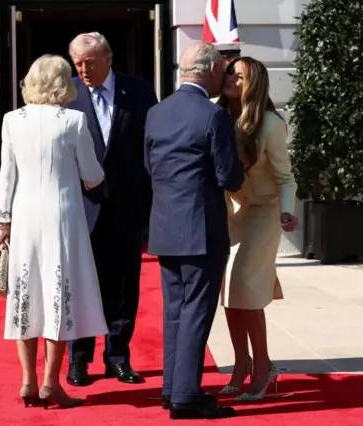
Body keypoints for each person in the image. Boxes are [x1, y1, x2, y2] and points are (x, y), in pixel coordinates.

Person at [0, 54, 109, 409]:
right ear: (63, 83)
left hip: (24, 213)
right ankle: (49, 383)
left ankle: (28, 381)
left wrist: (3, 220)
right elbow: (92, 175)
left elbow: (7, 176)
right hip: (63, 215)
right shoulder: (74, 120)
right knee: (58, 296)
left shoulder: (13, 119)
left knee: (27, 294)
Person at [144, 42, 244, 420]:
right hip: (201, 228)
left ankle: (172, 388)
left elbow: (149, 167)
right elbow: (228, 177)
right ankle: (185, 395)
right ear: (211, 70)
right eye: (224, 69)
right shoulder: (213, 115)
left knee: (174, 311)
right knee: (196, 313)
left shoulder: (156, 113)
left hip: (166, 226)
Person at [65, 32, 158, 387]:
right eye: (78, 63)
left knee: (123, 286)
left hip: (126, 207)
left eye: (90, 62)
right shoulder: (68, 93)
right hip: (81, 210)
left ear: (108, 58)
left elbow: (150, 146)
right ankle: (79, 359)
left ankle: (117, 356)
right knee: (81, 285)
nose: (84, 69)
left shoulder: (138, 91)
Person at [217, 57, 299, 400]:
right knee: (231, 297)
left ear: (254, 85)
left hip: (263, 215)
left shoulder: (269, 124)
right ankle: (241, 365)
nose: (231, 80)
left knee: (247, 293)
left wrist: (286, 212)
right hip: (231, 213)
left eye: (239, 77)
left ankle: (263, 366)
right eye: (230, 74)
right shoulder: (219, 115)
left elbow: (286, 177)